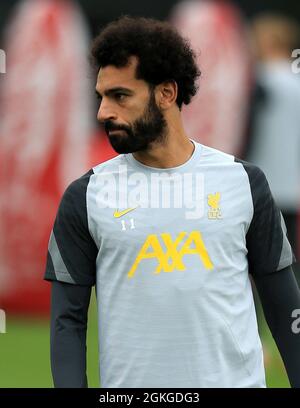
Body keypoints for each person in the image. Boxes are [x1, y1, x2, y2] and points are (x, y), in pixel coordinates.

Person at [44, 16, 300, 388]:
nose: (103, 112)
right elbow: (66, 322)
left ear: (166, 93)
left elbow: (286, 310)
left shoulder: (244, 183)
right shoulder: (86, 196)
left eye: (120, 96)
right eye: (100, 97)